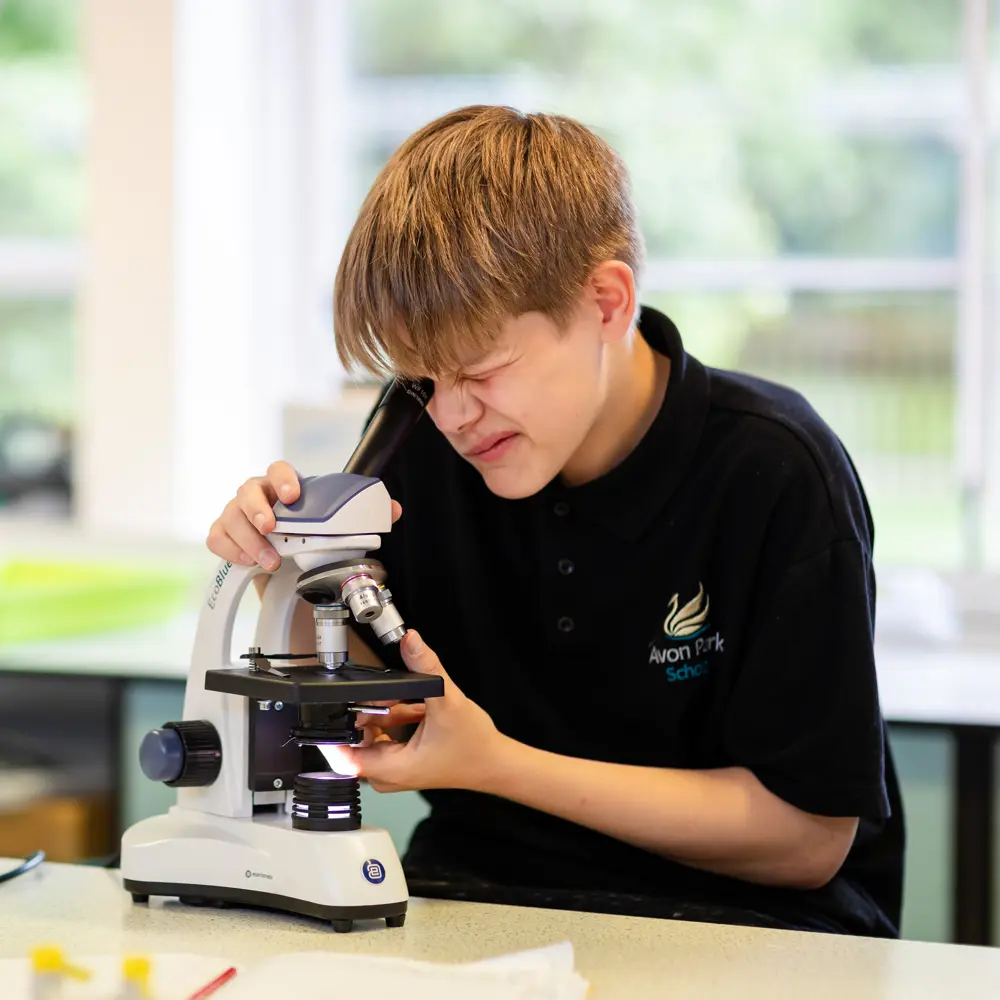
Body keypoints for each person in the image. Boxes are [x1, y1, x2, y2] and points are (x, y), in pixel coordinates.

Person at [207, 105, 904, 937]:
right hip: (477, 899)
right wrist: (281, 571)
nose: (454, 418)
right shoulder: (422, 436)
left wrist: (499, 766)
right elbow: (363, 687)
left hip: (750, 926)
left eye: (482, 371)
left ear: (607, 302)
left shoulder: (777, 471)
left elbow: (806, 839)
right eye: (423, 381)